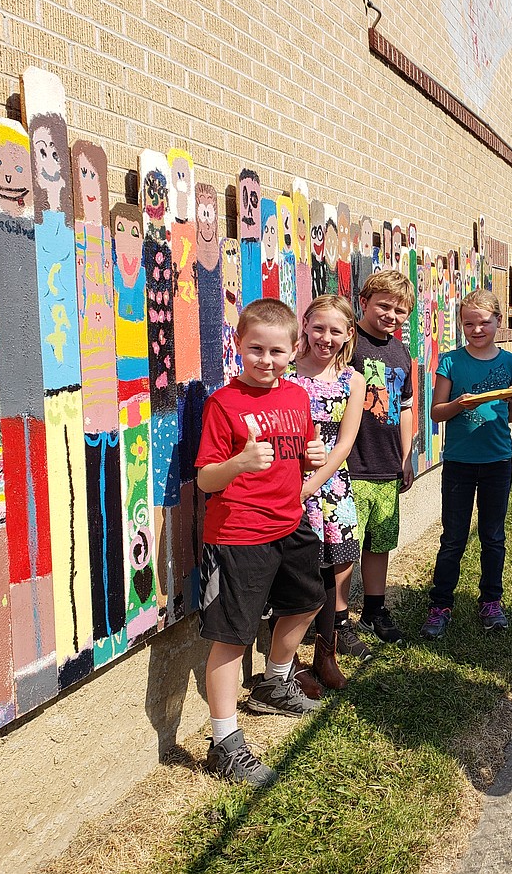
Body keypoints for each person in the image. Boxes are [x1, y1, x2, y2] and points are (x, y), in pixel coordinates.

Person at [196, 298, 329, 789]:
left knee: (308, 601)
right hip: (237, 536)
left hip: (289, 524)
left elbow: (301, 452)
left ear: (294, 351)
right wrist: (238, 464)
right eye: (256, 349)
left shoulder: (296, 397)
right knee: (231, 636)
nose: (266, 360)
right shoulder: (222, 405)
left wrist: (313, 455)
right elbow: (207, 480)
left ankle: (275, 680)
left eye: (277, 351)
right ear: (238, 345)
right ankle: (225, 744)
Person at [421, 289, 512, 639]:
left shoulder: (511, 363)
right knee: (453, 537)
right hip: (459, 462)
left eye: (485, 322)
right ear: (461, 325)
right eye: (469, 323)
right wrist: (458, 406)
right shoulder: (451, 361)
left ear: (499, 321)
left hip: (498, 460)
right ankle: (440, 604)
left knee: (493, 535)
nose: (477, 329)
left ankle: (491, 601)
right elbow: (436, 412)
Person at [289, 295, 367, 688]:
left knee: (329, 573)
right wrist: (294, 486)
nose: (326, 337)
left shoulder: (353, 380)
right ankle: (285, 663)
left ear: (349, 334)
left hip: (330, 486)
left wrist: (311, 486)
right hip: (284, 482)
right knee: (291, 571)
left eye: (336, 330)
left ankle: (326, 653)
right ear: (305, 325)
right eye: (318, 327)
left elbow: (345, 442)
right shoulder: (285, 371)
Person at [342, 269, 416, 654]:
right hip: (350, 463)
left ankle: (373, 610)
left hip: (387, 465)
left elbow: (405, 407)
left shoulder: (401, 352)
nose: (391, 315)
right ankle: (334, 620)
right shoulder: (348, 342)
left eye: (400, 310)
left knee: (379, 542)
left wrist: (407, 456)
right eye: (384, 305)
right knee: (342, 549)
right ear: (364, 300)